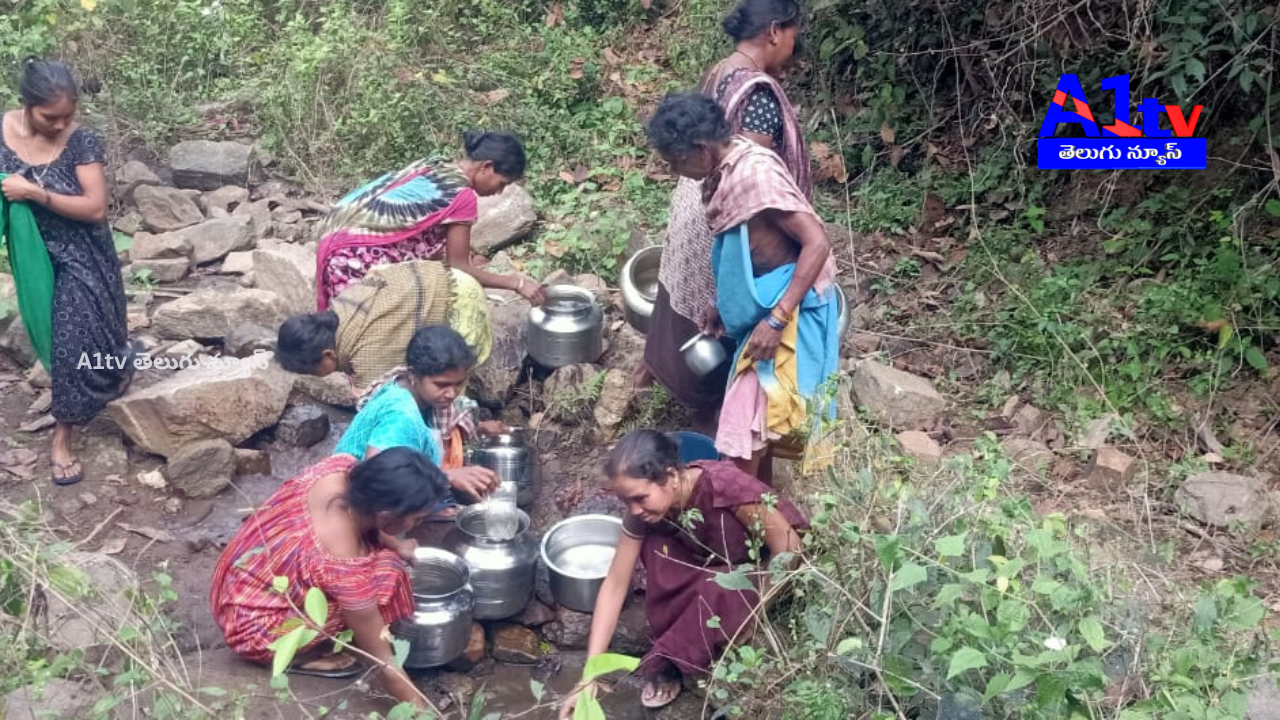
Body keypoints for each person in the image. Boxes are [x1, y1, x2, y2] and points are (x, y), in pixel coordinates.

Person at [646, 92, 839, 483]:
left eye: (677, 162)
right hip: (762, 308)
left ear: (699, 150)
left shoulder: (755, 174)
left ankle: (747, 527)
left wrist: (777, 318)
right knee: (757, 433)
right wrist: (724, 303)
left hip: (789, 314)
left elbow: (816, 243)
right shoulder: (725, 174)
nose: (677, 172)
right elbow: (750, 249)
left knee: (740, 438)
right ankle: (762, 522)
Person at [639, 0, 810, 436]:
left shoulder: (722, 70)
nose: (792, 47)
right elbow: (748, 184)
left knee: (695, 307)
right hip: (722, 218)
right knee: (726, 320)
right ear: (774, 31)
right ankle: (721, 424)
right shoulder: (756, 95)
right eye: (791, 36)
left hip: (694, 206)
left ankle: (701, 410)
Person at [558, 430, 806, 714]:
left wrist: (757, 610)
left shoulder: (723, 484)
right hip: (708, 565)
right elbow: (615, 583)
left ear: (672, 476)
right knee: (656, 547)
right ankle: (678, 644)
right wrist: (589, 674)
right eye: (627, 502)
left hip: (756, 568)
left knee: (717, 589)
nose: (634, 510)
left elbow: (789, 548)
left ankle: (672, 659)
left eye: (640, 498)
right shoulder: (642, 513)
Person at [210, 448, 445, 710]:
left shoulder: (340, 469)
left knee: (385, 558)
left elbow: (373, 519)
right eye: (417, 518)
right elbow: (383, 661)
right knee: (388, 574)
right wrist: (423, 712)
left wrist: (396, 544)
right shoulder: (345, 563)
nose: (417, 525)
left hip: (236, 576)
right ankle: (299, 657)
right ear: (387, 515)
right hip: (253, 628)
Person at [0, 57, 134, 486]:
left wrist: (34, 192)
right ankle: (113, 370)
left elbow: (95, 209)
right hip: (33, 253)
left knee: (81, 333)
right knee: (60, 336)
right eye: (49, 117)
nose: (60, 125)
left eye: (68, 116)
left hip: (83, 252)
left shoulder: (81, 141)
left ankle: (62, 436)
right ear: (26, 105)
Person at [315, 130, 547, 310]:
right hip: (354, 258)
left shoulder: (435, 164)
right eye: (502, 184)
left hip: (335, 239)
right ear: (486, 167)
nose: (498, 192)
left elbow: (421, 230)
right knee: (370, 336)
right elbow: (460, 267)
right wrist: (516, 283)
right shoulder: (462, 196)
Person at [334, 324, 502, 507]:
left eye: (458, 384)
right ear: (414, 375)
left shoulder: (418, 393)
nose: (452, 393)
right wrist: (446, 476)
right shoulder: (401, 415)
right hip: (352, 506)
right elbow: (379, 475)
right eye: (441, 385)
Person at [277, 259, 493, 392]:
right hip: (433, 276)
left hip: (457, 297)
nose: (316, 377)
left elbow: (383, 398)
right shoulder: (341, 308)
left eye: (313, 372)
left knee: (450, 375)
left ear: (327, 355)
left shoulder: (367, 352)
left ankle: (457, 439)